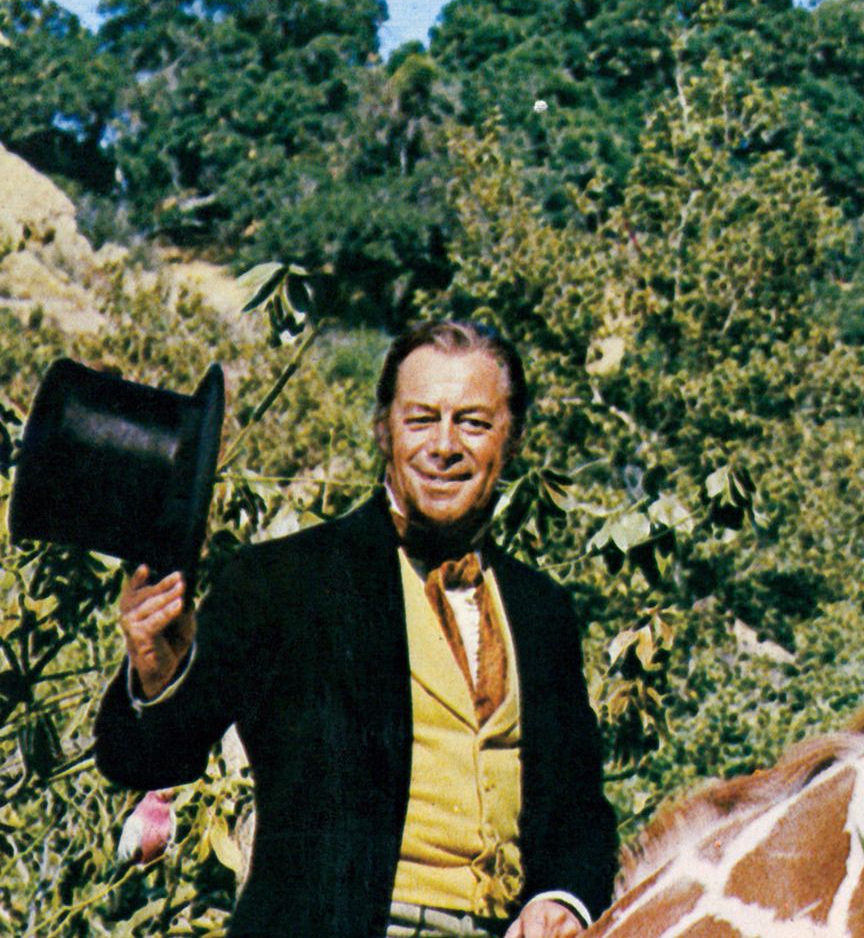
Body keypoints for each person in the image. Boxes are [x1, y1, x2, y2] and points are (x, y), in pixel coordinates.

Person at [95, 321, 617, 938]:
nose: (444, 445)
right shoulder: (285, 582)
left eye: (473, 423)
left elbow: (579, 806)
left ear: (514, 439)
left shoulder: (543, 610)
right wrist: (157, 671)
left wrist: (561, 897)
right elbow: (147, 756)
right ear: (382, 429)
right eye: (421, 419)